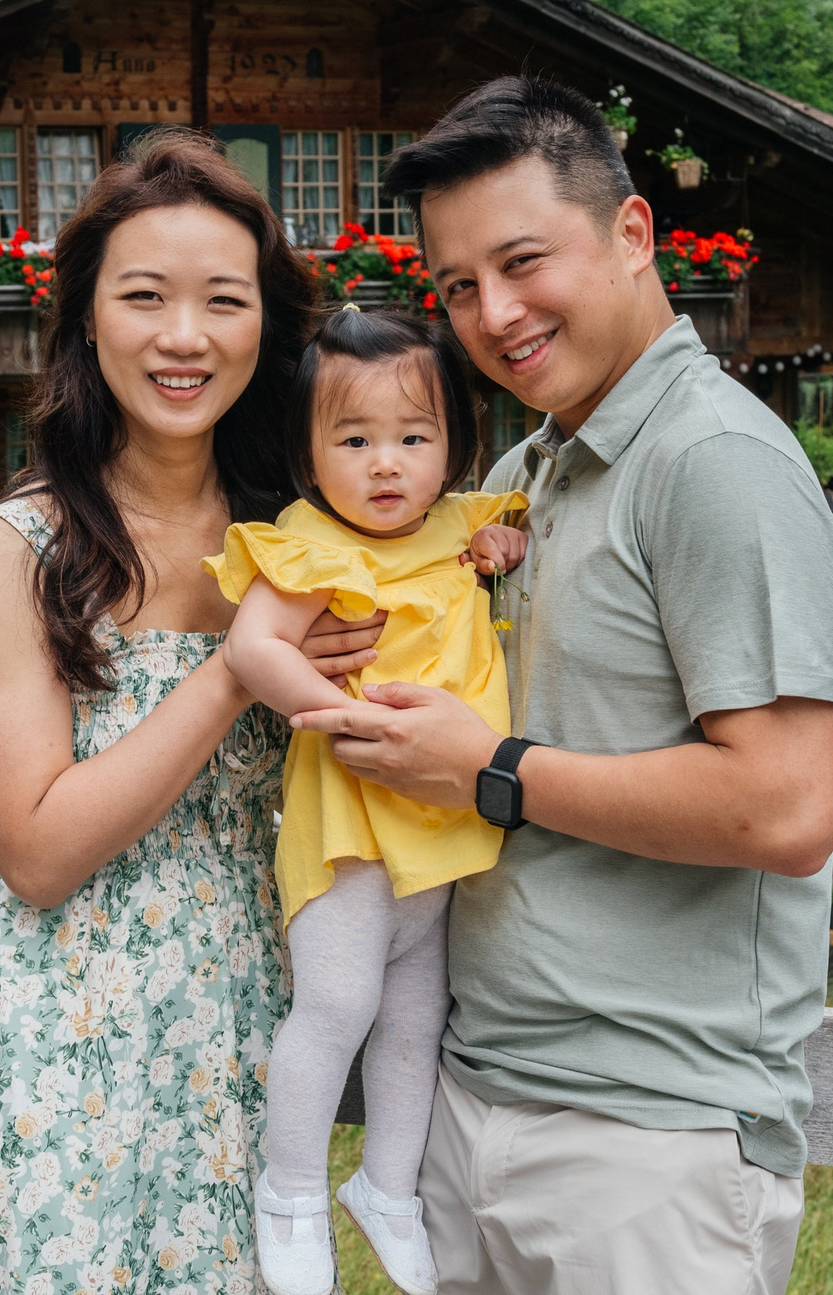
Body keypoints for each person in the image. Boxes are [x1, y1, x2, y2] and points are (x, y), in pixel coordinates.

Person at [292, 77, 833, 1294]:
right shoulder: (517, 471)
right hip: (472, 1095)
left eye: (521, 260)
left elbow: (791, 808)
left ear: (634, 233)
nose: (492, 313)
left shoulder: (714, 462)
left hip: (646, 1142)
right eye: (454, 285)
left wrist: (488, 773)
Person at [0, 131, 353, 1295]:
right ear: (89, 317)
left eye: (222, 301)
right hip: (52, 1039)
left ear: (264, 326)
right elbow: (34, 849)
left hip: (239, 1028)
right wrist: (238, 669)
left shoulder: (312, 541)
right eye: (144, 296)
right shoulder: (16, 552)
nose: (182, 336)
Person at [206, 305, 528, 1295]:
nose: (385, 463)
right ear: (310, 455)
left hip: (440, 826)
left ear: (452, 447)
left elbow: (501, 535)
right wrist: (337, 717)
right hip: (352, 822)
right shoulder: (310, 543)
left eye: (412, 437)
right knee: (337, 1001)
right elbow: (251, 647)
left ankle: (387, 1187)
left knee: (415, 1014)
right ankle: (291, 1191)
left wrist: (500, 553)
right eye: (353, 439)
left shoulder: (458, 524)